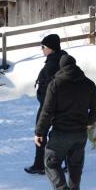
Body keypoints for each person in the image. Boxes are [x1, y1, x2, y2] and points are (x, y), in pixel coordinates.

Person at [35, 54, 96, 190]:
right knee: (75, 166)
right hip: (80, 133)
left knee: (51, 162)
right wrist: (88, 122)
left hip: (61, 132)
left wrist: (40, 131)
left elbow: (47, 111)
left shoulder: (56, 84)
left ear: (61, 67)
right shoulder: (88, 83)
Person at [24, 34, 66, 175]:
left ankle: (40, 165)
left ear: (51, 48)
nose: (41, 49)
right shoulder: (61, 59)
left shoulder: (53, 64)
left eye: (43, 47)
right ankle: (63, 163)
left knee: (40, 133)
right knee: (60, 132)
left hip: (48, 106)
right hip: (59, 105)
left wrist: (46, 104)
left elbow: (51, 87)